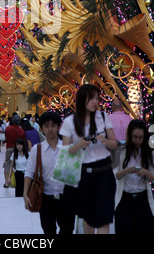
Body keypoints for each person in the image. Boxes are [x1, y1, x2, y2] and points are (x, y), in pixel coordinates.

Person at [60, 83, 117, 234]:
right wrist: (79, 145)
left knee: (105, 217)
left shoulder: (103, 117)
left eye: (97, 98)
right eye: (91, 98)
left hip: (104, 170)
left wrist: (103, 140)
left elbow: (115, 144)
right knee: (87, 216)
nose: (95, 102)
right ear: (81, 99)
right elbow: (66, 152)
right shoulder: (69, 122)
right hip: (83, 173)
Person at [24, 112, 68, 235]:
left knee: (67, 229)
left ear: (59, 127)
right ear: (41, 128)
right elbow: (29, 173)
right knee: (48, 231)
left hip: (66, 197)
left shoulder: (68, 148)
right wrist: (25, 194)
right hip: (45, 198)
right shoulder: (36, 149)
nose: (50, 129)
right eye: (46, 126)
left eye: (53, 125)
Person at [114, 119, 154, 234]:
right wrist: (127, 171)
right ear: (130, 136)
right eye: (135, 137)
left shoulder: (149, 152)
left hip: (143, 198)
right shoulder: (122, 151)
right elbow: (115, 175)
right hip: (125, 198)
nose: (137, 140)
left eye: (140, 137)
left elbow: (153, 178)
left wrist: (145, 172)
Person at [4, 114, 25, 187]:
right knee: (18, 165)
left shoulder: (8, 128)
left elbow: (6, 137)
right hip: (18, 149)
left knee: (7, 165)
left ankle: (7, 182)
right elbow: (23, 140)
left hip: (9, 148)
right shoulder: (22, 131)